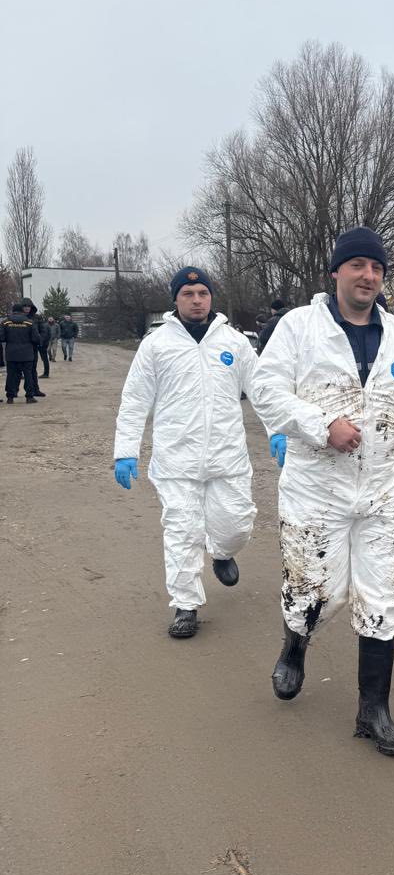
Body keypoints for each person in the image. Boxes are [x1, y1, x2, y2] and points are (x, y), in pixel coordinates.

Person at [250, 226, 394, 756]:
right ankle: (296, 645)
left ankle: (373, 711)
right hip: (317, 491)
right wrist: (320, 425)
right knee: (318, 591)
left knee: (386, 597)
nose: (368, 275)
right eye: (358, 265)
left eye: (377, 268)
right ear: (336, 271)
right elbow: (264, 391)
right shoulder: (298, 327)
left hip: (386, 491)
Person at [113, 267, 265, 638]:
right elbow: (135, 400)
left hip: (227, 457)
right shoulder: (156, 345)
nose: (197, 300)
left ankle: (223, 552)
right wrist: (125, 450)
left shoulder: (234, 342)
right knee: (182, 531)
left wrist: (278, 430)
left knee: (237, 526)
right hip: (176, 460)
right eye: (188, 294)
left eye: (203, 293)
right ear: (176, 299)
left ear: (211, 297)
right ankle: (186, 605)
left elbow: (263, 390)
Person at [2, 301, 42, 404]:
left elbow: (1, 337)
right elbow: (36, 338)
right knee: (28, 375)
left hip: (11, 353)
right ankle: (29, 396)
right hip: (27, 353)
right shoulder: (29, 322)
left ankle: (10, 397)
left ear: (13, 311)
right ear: (22, 311)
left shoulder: (5, 322)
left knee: (11, 375)